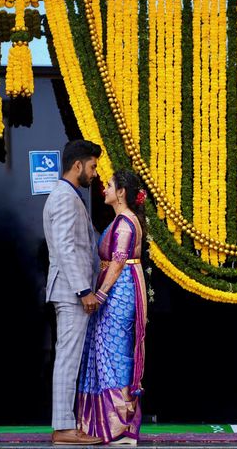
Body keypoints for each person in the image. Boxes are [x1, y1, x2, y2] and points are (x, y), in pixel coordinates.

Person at [77, 169, 148, 445]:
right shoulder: (123, 220)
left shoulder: (125, 223)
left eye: (108, 185)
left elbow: (117, 263)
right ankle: (113, 424)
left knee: (114, 353)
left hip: (118, 293)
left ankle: (118, 426)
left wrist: (101, 295)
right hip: (120, 289)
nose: (103, 189)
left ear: (121, 192)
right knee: (112, 352)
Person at [43, 140, 103, 446]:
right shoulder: (65, 198)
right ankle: (64, 427)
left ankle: (66, 424)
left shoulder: (69, 196)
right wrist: (83, 290)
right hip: (70, 292)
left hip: (70, 291)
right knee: (67, 358)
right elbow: (66, 247)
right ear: (77, 165)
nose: (95, 173)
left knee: (69, 357)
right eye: (92, 166)